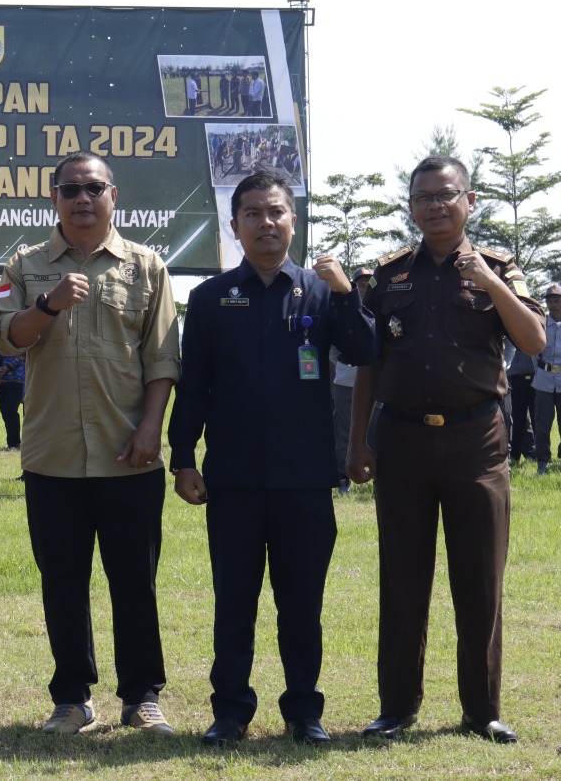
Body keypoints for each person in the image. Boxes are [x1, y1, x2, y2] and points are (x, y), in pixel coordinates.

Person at [169, 169, 377, 746]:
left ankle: (304, 711)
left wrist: (346, 294)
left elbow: (364, 351)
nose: (266, 222)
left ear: (294, 221)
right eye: (253, 213)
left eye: (277, 212)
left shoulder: (320, 290)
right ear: (234, 226)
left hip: (305, 480)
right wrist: (183, 457)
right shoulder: (211, 299)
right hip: (233, 480)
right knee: (234, 602)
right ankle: (230, 711)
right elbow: (196, 387)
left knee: (301, 604)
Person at [347, 156, 544, 744]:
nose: (435, 205)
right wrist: (358, 442)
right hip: (403, 440)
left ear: (470, 200)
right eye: (423, 197)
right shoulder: (388, 276)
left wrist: (491, 284)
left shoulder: (499, 269)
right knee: (403, 579)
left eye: (446, 195)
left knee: (480, 580)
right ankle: (397, 706)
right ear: (410, 206)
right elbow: (369, 365)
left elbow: (533, 340)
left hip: (476, 441)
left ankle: (481, 710)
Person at [0, 151, 180, 737]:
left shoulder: (147, 267)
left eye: (92, 188)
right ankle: (71, 697)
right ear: (54, 198)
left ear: (112, 195)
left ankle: (142, 695)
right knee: (62, 581)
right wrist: (47, 306)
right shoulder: (26, 265)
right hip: (53, 456)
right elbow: (5, 339)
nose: (81, 198)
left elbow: (163, 359)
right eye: (69, 188)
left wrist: (152, 428)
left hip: (129, 456)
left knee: (134, 582)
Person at [330, 268, 376, 493]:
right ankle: (342, 479)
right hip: (346, 380)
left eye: (369, 283)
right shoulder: (344, 306)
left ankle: (377, 474)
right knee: (343, 432)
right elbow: (331, 347)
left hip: (377, 384)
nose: (364, 287)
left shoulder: (378, 308)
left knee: (377, 430)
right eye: (361, 283)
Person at [531, 284, 561, 474]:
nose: (553, 304)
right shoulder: (540, 324)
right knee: (542, 423)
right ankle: (542, 460)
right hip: (544, 379)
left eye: (557, 300)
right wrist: (541, 370)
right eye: (549, 300)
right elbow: (533, 352)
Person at [0, 351, 25, 450]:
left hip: (17, 377)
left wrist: (8, 366)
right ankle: (12, 443)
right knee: (4, 412)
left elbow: (24, 353)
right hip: (0, 378)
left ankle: (15, 443)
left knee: (10, 409)